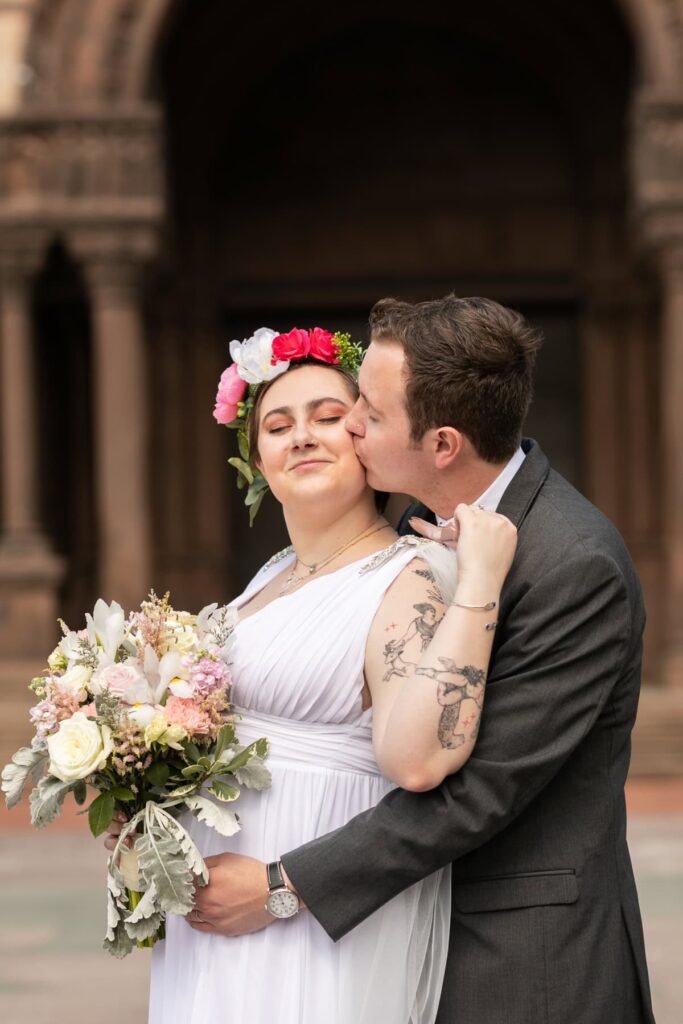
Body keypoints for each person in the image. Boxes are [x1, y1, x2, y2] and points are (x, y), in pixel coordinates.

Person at [195, 298, 656, 1024]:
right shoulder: (413, 531)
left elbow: (478, 793)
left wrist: (285, 885)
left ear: (441, 445)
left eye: (367, 416)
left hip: (521, 957)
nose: (348, 427)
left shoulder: (573, 564)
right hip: (393, 923)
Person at [109, 325, 517, 1024]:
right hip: (212, 920)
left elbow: (417, 762)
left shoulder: (410, 578)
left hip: (310, 917)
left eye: (329, 418)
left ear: (366, 440)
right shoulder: (265, 581)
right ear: (255, 460)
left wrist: (477, 582)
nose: (301, 436)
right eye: (276, 424)